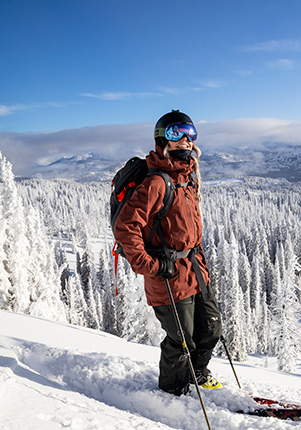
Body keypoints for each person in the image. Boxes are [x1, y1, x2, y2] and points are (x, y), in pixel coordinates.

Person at [113, 110, 223, 396]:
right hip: (168, 274)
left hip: (195, 269)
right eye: (177, 133)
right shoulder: (157, 183)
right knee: (182, 339)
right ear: (162, 140)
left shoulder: (188, 177)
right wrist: (150, 265)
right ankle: (172, 392)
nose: (186, 140)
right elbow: (126, 228)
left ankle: (197, 374)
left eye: (190, 132)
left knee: (211, 328)